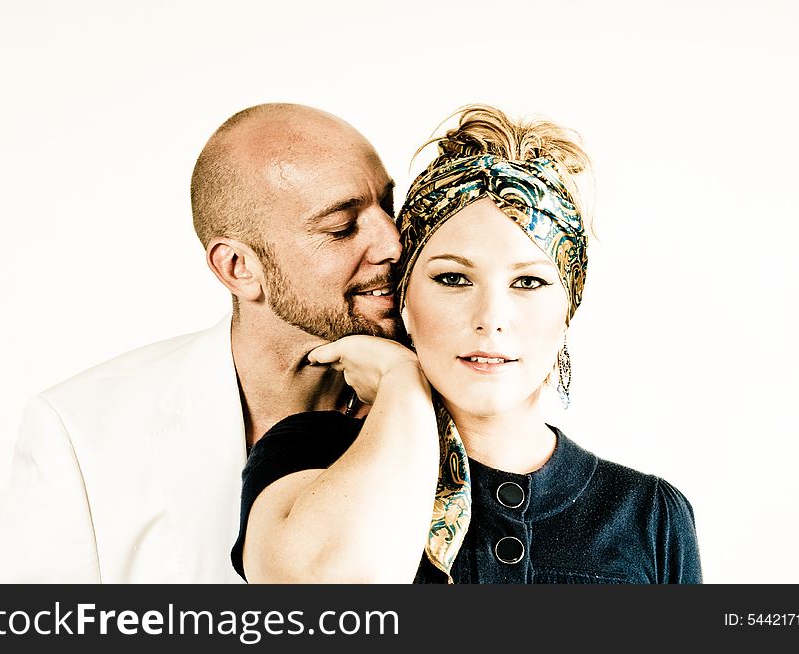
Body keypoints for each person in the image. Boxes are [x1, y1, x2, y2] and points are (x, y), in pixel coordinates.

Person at [232, 105, 703, 584]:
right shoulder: (306, 457)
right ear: (404, 299)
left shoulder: (649, 516)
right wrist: (401, 382)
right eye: (453, 278)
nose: (491, 319)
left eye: (529, 283)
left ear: (568, 307)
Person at [0, 103, 401, 583]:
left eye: (388, 206)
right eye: (341, 228)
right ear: (239, 268)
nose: (393, 244)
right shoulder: (80, 432)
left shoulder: (454, 398)